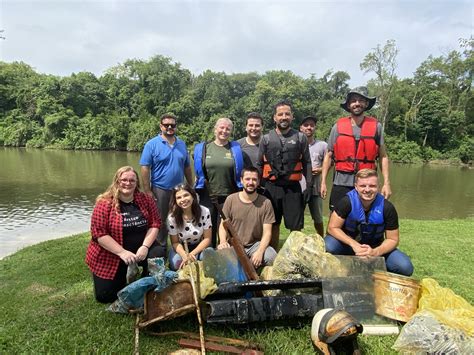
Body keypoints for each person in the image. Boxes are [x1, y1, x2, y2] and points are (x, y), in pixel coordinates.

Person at [86, 166, 164, 303]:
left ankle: (148, 280)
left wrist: (145, 247)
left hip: (140, 248)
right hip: (113, 253)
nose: (128, 183)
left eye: (132, 180)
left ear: (136, 183)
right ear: (117, 181)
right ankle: (126, 270)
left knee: (157, 251)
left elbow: (155, 223)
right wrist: (122, 252)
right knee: (106, 297)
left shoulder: (146, 199)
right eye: (124, 180)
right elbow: (99, 234)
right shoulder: (104, 203)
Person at [325, 169, 413, 276]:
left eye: (372, 186)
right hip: (348, 246)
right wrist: (355, 245)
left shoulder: (387, 207)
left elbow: (393, 239)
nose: (367, 190)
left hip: (376, 248)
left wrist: (375, 252)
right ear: (356, 186)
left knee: (405, 267)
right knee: (328, 246)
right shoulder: (346, 202)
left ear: (378, 187)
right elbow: (332, 228)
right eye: (363, 186)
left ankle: (378, 276)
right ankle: (339, 271)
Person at [320, 87, 391, 211]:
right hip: (341, 182)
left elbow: (383, 156)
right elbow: (328, 155)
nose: (357, 103)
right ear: (348, 105)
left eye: (361, 100)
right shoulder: (337, 127)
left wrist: (386, 183)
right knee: (336, 218)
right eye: (353, 100)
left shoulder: (376, 127)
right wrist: (323, 182)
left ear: (366, 103)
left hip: (366, 183)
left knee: (365, 218)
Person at [258, 100, 312, 250]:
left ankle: (295, 254)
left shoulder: (301, 138)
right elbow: (259, 164)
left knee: (295, 226)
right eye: (280, 114)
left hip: (292, 188)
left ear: (292, 117)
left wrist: (309, 186)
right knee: (272, 224)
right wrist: (259, 187)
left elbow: (307, 162)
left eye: (287, 114)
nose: (284, 117)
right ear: (274, 118)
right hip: (271, 187)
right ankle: (272, 255)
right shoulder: (266, 139)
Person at [140, 114, 193, 254]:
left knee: (181, 219)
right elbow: (145, 168)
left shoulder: (181, 144)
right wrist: (147, 190)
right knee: (160, 222)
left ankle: (181, 252)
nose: (169, 127)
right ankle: (160, 252)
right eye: (166, 125)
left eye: (172, 125)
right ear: (161, 126)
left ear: (176, 126)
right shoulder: (152, 144)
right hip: (160, 189)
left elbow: (187, 167)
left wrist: (191, 186)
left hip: (179, 191)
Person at [194, 117, 244, 247]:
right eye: (221, 127)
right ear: (215, 129)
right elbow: (197, 172)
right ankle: (208, 256)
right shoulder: (205, 148)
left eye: (228, 128)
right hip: (207, 196)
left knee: (225, 230)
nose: (224, 131)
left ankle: (225, 256)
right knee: (208, 229)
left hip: (229, 195)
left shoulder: (235, 149)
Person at [218, 167, 277, 268]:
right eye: (247, 179)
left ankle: (256, 269)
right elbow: (223, 225)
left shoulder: (266, 203)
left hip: (255, 245)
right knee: (222, 261)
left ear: (258, 182)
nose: (251, 182)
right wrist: (223, 241)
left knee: (272, 257)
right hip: (234, 244)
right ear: (241, 180)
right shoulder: (231, 199)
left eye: (254, 179)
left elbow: (267, 232)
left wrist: (260, 251)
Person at [167, 184, 212, 270]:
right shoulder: (172, 217)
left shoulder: (204, 211)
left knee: (207, 261)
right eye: (179, 197)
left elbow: (207, 238)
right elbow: (175, 242)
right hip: (181, 248)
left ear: (193, 196)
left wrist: (191, 255)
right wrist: (185, 256)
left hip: (199, 246)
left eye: (186, 195)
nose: (183, 200)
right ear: (175, 201)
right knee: (177, 264)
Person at [299, 116, 328, 237]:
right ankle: (296, 242)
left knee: (318, 217)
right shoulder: (296, 144)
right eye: (306, 125)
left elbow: (329, 163)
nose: (309, 127)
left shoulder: (323, 145)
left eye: (312, 125)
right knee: (297, 218)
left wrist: (321, 170)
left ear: (315, 128)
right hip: (299, 187)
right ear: (301, 127)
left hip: (316, 187)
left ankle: (321, 241)